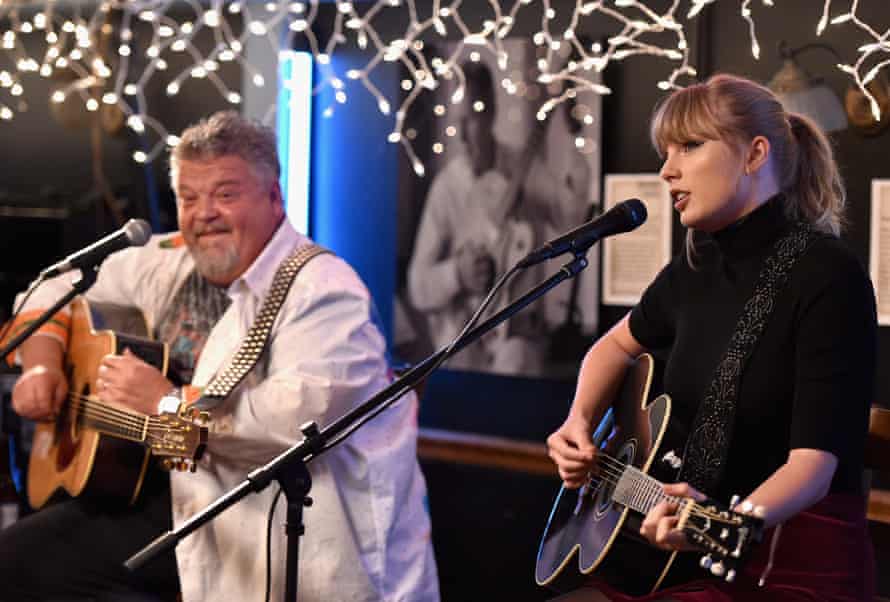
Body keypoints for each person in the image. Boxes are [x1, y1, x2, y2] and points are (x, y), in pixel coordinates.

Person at [0, 111, 440, 601]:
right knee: (18, 561)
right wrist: (41, 365)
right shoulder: (167, 261)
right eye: (189, 197)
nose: (203, 213)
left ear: (275, 198)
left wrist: (165, 403)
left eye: (225, 195)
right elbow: (52, 286)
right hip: (173, 499)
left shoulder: (323, 292)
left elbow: (296, 421)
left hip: (271, 525)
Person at [546, 73, 876, 601]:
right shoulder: (693, 267)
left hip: (788, 566)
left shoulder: (828, 275)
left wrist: (727, 521)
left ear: (755, 154)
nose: (666, 170)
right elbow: (612, 346)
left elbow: (813, 466)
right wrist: (578, 422)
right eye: (665, 151)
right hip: (680, 560)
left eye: (690, 147)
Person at [406, 59, 591, 376]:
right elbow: (418, 287)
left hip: (517, 355)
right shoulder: (447, 186)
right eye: (458, 122)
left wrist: (574, 132)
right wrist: (458, 274)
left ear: (491, 112)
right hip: (460, 355)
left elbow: (572, 219)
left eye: (473, 119)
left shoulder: (525, 168)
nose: (464, 136)